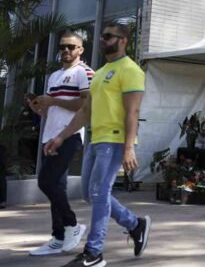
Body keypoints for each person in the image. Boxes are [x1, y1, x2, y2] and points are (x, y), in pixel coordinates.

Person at [45, 21, 151, 267]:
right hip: (96, 139)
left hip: (114, 140)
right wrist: (61, 136)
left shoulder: (131, 70)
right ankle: (136, 225)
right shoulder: (101, 72)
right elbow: (85, 111)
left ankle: (94, 253)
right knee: (90, 194)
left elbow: (132, 111)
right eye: (102, 37)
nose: (103, 40)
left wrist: (128, 147)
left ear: (123, 40)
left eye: (108, 36)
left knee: (99, 193)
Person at [27, 31, 94, 256]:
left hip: (70, 135)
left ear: (80, 50)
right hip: (50, 135)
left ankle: (73, 225)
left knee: (45, 181)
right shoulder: (54, 76)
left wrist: (54, 100)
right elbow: (48, 108)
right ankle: (58, 237)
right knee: (57, 186)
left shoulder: (84, 72)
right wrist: (38, 107)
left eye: (71, 47)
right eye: (63, 47)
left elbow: (86, 106)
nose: (66, 50)